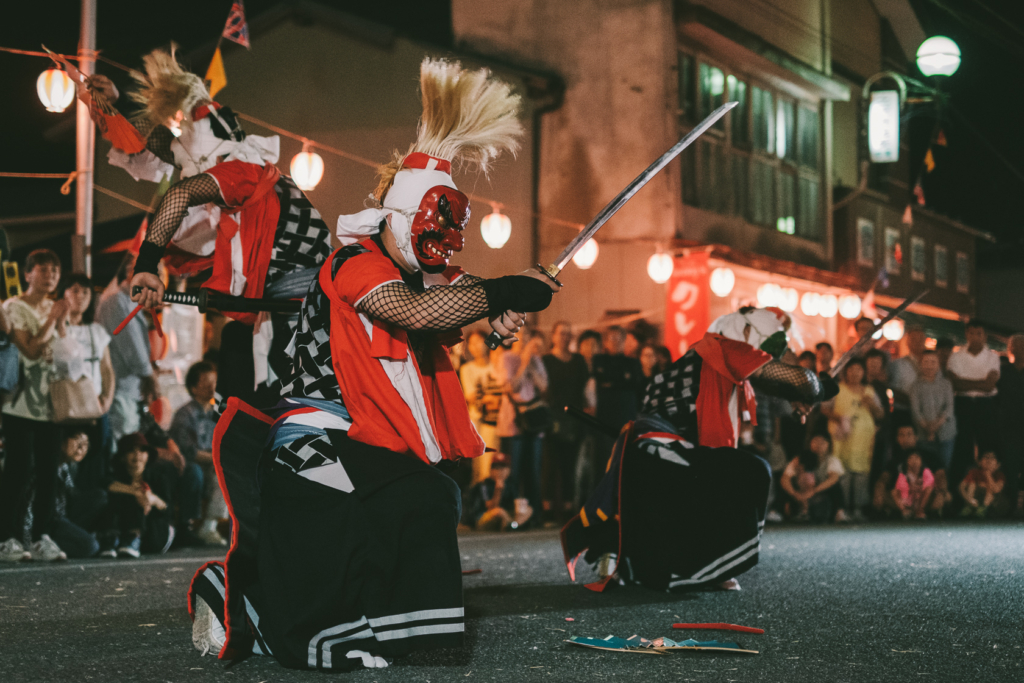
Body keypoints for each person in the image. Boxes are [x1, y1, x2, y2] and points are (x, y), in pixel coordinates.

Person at [185, 58, 558, 670]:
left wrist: (496, 314)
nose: (439, 251)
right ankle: (254, 606)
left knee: (429, 495)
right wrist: (511, 290)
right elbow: (411, 310)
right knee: (345, 502)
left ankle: (405, 632)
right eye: (431, 231)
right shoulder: (352, 263)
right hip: (312, 432)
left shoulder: (424, 273)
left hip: (366, 436)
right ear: (403, 218)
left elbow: (452, 305)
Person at [93, 48, 332, 401]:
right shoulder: (244, 174)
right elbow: (162, 144)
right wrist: (115, 105)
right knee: (240, 363)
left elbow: (178, 195)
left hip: (303, 304)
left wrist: (146, 264)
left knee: (287, 398)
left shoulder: (240, 173)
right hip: (280, 303)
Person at [561, 307, 838, 593]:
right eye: (767, 347)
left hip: (652, 453)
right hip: (662, 450)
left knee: (729, 471)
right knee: (750, 472)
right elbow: (800, 379)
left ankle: (678, 566)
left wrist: (797, 395)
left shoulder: (709, 355)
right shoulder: (725, 347)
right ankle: (706, 569)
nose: (768, 355)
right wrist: (819, 387)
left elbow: (772, 383)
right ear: (744, 331)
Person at [0, 249, 68, 563]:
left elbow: (65, 348)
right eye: (43, 269)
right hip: (20, 402)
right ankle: (8, 538)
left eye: (55, 269)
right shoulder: (14, 307)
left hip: (52, 402)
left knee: (48, 472)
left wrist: (61, 320)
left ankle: (42, 536)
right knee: (18, 468)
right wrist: (53, 319)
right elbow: (27, 350)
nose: (51, 274)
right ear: (28, 274)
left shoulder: (54, 307)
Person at [52, 274, 116, 490]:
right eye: (75, 290)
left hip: (95, 406)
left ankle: (85, 511)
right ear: (63, 293)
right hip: (65, 405)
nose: (80, 296)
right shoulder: (52, 328)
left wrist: (107, 399)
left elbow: (107, 369)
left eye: (86, 292)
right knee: (62, 459)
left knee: (95, 459)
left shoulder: (97, 331)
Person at [96, 258, 155, 442]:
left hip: (127, 390)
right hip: (118, 391)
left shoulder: (129, 303)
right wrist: (150, 376)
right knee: (123, 449)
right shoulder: (117, 302)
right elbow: (133, 350)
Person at [169, 361, 226, 546]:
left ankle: (209, 526)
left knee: (226, 474)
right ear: (194, 387)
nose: (212, 386)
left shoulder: (217, 413)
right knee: (197, 472)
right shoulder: (184, 414)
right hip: (188, 462)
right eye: (206, 382)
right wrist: (217, 460)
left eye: (214, 381)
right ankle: (189, 527)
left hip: (211, 463)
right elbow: (188, 451)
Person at [497, 331, 549, 525]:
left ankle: (533, 516)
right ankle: (510, 515)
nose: (525, 339)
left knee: (533, 471)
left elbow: (543, 387)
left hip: (534, 423)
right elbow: (513, 387)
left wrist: (532, 362)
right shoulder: (506, 358)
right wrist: (524, 362)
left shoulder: (537, 359)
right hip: (512, 423)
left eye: (527, 336)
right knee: (513, 471)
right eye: (520, 335)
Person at [822, 359, 884, 522]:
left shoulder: (869, 391)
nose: (855, 373)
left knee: (861, 474)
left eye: (858, 369)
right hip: (842, 440)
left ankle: (858, 509)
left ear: (864, 372)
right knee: (843, 473)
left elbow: (880, 415)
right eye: (851, 369)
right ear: (845, 371)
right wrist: (839, 418)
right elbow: (824, 408)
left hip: (863, 441)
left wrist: (872, 404)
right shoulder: (838, 389)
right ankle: (842, 509)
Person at [542, 321, 590, 523]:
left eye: (568, 334)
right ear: (553, 336)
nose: (565, 337)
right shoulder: (545, 360)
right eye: (561, 333)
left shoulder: (579, 361)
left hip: (574, 418)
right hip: (552, 418)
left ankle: (569, 511)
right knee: (550, 466)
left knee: (570, 466)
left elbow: (585, 389)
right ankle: (547, 512)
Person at [101, 433, 175, 557]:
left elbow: (169, 510)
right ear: (123, 457)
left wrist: (152, 499)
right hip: (122, 530)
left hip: (154, 533)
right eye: (131, 451)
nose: (137, 455)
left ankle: (134, 537)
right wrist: (136, 492)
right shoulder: (117, 476)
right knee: (117, 496)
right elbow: (106, 484)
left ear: (148, 455)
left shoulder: (158, 477)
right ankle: (112, 538)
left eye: (142, 450)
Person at [946, 320, 1001, 491]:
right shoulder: (956, 356)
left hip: (985, 405)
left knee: (987, 446)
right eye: (971, 333)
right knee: (962, 445)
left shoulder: (993, 357)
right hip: (963, 404)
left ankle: (986, 491)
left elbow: (989, 385)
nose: (975, 337)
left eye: (979, 333)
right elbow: (953, 384)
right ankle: (959, 491)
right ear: (966, 334)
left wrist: (964, 382)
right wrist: (980, 383)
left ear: (985, 336)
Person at [48, 430, 109, 558]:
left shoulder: (67, 466)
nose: (81, 448)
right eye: (76, 440)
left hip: (61, 517)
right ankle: (46, 545)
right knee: (90, 546)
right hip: (47, 522)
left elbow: (73, 495)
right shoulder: (46, 464)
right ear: (61, 440)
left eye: (86, 443)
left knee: (100, 496)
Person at [459, 330, 503, 484]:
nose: (475, 346)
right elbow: (470, 396)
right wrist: (491, 398)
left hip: (494, 422)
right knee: (476, 466)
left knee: (491, 463)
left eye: (479, 342)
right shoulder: (467, 369)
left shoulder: (496, 365)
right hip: (475, 422)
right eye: (472, 343)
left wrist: (490, 398)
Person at [779, 432, 843, 523]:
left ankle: (839, 512)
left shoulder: (832, 460)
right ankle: (777, 511)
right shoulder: (799, 459)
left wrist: (813, 491)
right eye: (816, 441)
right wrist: (794, 493)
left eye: (822, 442)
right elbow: (785, 478)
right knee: (784, 485)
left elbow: (833, 479)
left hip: (819, 492)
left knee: (836, 487)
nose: (818, 445)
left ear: (829, 445)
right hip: (800, 491)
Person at [909, 350, 956, 473]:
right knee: (925, 469)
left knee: (944, 468)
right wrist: (928, 428)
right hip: (923, 434)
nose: (929, 365)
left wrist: (936, 425)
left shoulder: (946, 384)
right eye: (926, 362)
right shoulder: (915, 386)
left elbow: (949, 407)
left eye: (933, 362)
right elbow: (915, 411)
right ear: (921, 364)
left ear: (938, 364)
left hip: (946, 433)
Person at [996, 334, 1024, 517]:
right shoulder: (1003, 371)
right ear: (1010, 350)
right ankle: (1013, 504)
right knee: (1011, 466)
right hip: (1009, 428)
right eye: (1016, 346)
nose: (1019, 349)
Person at [463, 451, 517, 531]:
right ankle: (512, 526)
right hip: (482, 518)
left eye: (503, 468)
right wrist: (498, 490)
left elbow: (516, 502)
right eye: (496, 468)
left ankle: (514, 525)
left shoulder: (510, 483)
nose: (500, 471)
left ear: (509, 470)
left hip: (504, 515)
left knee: (528, 509)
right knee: (499, 511)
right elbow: (491, 507)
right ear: (491, 470)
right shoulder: (484, 484)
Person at [888, 324, 926, 423]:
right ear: (907, 342)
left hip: (927, 413)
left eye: (920, 339)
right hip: (904, 412)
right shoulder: (898, 364)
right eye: (913, 339)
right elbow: (894, 390)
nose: (917, 342)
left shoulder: (931, 363)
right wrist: (914, 403)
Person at [958, 450, 1007, 518]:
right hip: (974, 501)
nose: (989, 460)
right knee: (972, 484)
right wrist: (968, 500)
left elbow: (996, 489)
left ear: (998, 465)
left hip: (992, 503)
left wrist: (988, 474)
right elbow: (962, 486)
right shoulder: (974, 472)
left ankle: (982, 509)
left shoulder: (999, 475)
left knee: (990, 487)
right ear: (980, 462)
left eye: (992, 458)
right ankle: (968, 508)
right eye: (986, 457)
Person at [890, 451, 935, 520]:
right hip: (908, 499)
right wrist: (910, 489)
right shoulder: (903, 474)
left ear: (921, 461)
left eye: (917, 458)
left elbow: (930, 484)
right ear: (907, 461)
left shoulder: (926, 471)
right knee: (894, 492)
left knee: (929, 489)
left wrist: (919, 488)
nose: (914, 461)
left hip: (921, 499)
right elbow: (901, 488)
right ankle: (904, 510)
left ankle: (920, 511)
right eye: (911, 458)